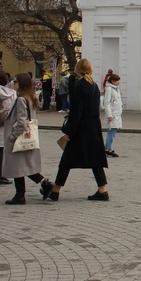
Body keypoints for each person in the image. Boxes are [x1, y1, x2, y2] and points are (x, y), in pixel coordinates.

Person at [46, 59, 109, 201]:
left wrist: (69, 131)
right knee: (95, 159)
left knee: (67, 159)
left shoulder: (80, 86)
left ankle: (56, 190)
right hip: (93, 126)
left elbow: (76, 111)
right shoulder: (94, 85)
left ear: (77, 69)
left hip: (81, 127)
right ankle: (102, 189)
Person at [2, 73, 53, 204]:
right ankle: (44, 183)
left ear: (21, 84)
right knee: (23, 166)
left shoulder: (20, 99)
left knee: (18, 167)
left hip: (19, 138)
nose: (13, 84)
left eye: (15, 81)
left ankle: (20, 195)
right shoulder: (30, 98)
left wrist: (12, 136)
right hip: (27, 137)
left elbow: (22, 121)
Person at [103, 73, 122, 157]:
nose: (118, 82)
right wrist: (109, 115)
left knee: (113, 131)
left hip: (117, 113)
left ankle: (106, 148)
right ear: (113, 81)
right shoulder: (110, 89)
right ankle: (108, 149)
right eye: (117, 80)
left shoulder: (116, 89)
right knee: (111, 132)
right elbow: (107, 103)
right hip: (113, 114)